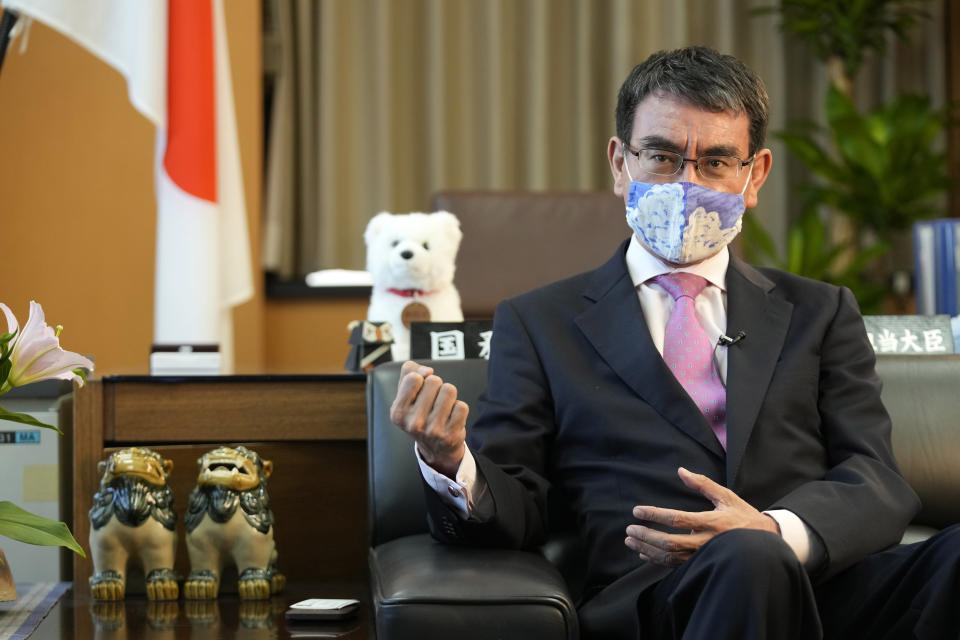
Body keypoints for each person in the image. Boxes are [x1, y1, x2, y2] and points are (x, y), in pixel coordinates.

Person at [389, 46, 960, 639]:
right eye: (662, 157)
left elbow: (876, 477)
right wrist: (450, 461)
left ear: (754, 175)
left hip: (822, 587)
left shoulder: (820, 311)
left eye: (715, 162)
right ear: (619, 163)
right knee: (745, 561)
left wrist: (773, 530)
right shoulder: (540, 321)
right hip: (662, 600)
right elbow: (518, 506)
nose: (687, 184)